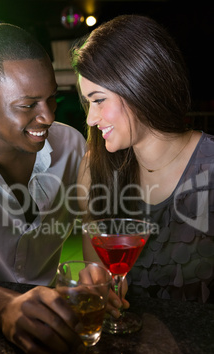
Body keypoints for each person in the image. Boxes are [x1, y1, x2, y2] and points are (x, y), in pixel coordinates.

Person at [0, 22, 95, 354]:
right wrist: (6, 306)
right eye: (28, 105)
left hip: (48, 324)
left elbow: (96, 225)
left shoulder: (71, 145)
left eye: (51, 99)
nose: (47, 116)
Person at [71, 14, 214, 304]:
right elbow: (96, 275)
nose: (90, 118)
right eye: (88, 103)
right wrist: (98, 288)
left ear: (141, 85)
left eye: (99, 100)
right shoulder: (93, 169)